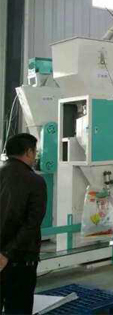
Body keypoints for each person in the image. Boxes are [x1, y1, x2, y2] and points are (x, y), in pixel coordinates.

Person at [0, 133, 47, 314]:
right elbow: (32, 224)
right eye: (35, 152)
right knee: (18, 308)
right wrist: (7, 254)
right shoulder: (35, 181)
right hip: (20, 261)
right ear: (28, 152)